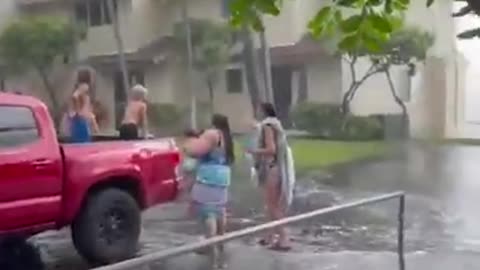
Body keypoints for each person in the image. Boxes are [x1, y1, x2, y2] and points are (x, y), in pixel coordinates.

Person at [184, 114, 234, 269]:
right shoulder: (226, 136)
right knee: (219, 211)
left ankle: (211, 250)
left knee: (208, 213)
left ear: (213, 122)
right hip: (222, 177)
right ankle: (220, 245)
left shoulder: (213, 134)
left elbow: (194, 151)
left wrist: (188, 144)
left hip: (208, 178)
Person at [248, 102, 295, 251]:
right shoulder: (274, 124)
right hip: (274, 168)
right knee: (270, 206)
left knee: (273, 206)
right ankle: (269, 236)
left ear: (263, 111)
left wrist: (253, 150)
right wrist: (256, 127)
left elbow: (271, 149)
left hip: (271, 168)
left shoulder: (268, 126)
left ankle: (284, 239)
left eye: (258, 110)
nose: (257, 112)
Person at [68, 72, 99, 143]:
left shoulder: (85, 97)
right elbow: (75, 96)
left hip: (82, 122)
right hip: (80, 122)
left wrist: (93, 123)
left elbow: (87, 112)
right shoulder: (81, 91)